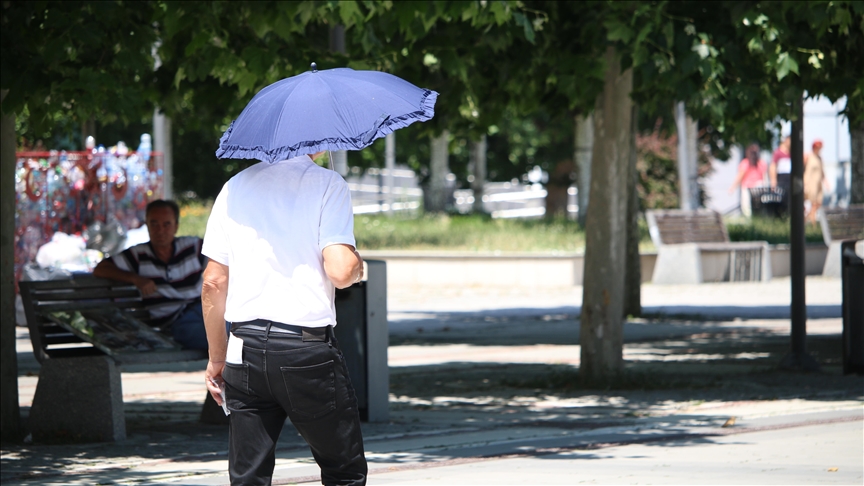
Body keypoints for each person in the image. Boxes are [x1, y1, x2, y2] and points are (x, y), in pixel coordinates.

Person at [202, 151, 367, 486]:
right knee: (343, 471)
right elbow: (340, 270)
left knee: (249, 476)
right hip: (303, 349)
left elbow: (213, 282)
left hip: (242, 349)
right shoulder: (327, 184)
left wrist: (216, 356)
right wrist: (357, 266)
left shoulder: (234, 187)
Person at [93, 199, 208, 350]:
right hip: (175, 323)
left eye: (167, 224)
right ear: (147, 226)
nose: (160, 230)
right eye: (154, 224)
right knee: (220, 341)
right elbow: (100, 269)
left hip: (204, 311)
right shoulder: (138, 254)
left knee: (236, 332)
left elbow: (222, 262)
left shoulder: (192, 247)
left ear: (176, 226)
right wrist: (135, 279)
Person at [728, 143, 767, 218]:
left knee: (755, 205)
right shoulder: (746, 163)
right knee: (746, 207)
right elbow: (740, 176)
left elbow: (764, 177)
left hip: (757, 187)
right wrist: (733, 187)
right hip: (747, 187)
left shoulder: (761, 163)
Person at [804, 139, 828, 225]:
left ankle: (806, 219)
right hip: (811, 184)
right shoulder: (809, 157)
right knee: (813, 204)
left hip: (818, 185)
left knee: (818, 204)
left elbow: (822, 172)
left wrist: (826, 182)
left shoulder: (820, 158)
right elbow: (807, 171)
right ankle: (813, 223)